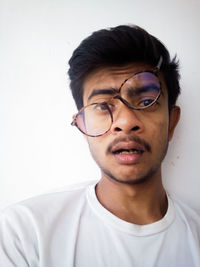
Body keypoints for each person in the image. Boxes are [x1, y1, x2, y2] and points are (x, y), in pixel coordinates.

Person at [0, 24, 199, 267]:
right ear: (83, 126)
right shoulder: (23, 234)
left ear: (172, 123)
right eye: (103, 106)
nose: (125, 123)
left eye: (147, 101)